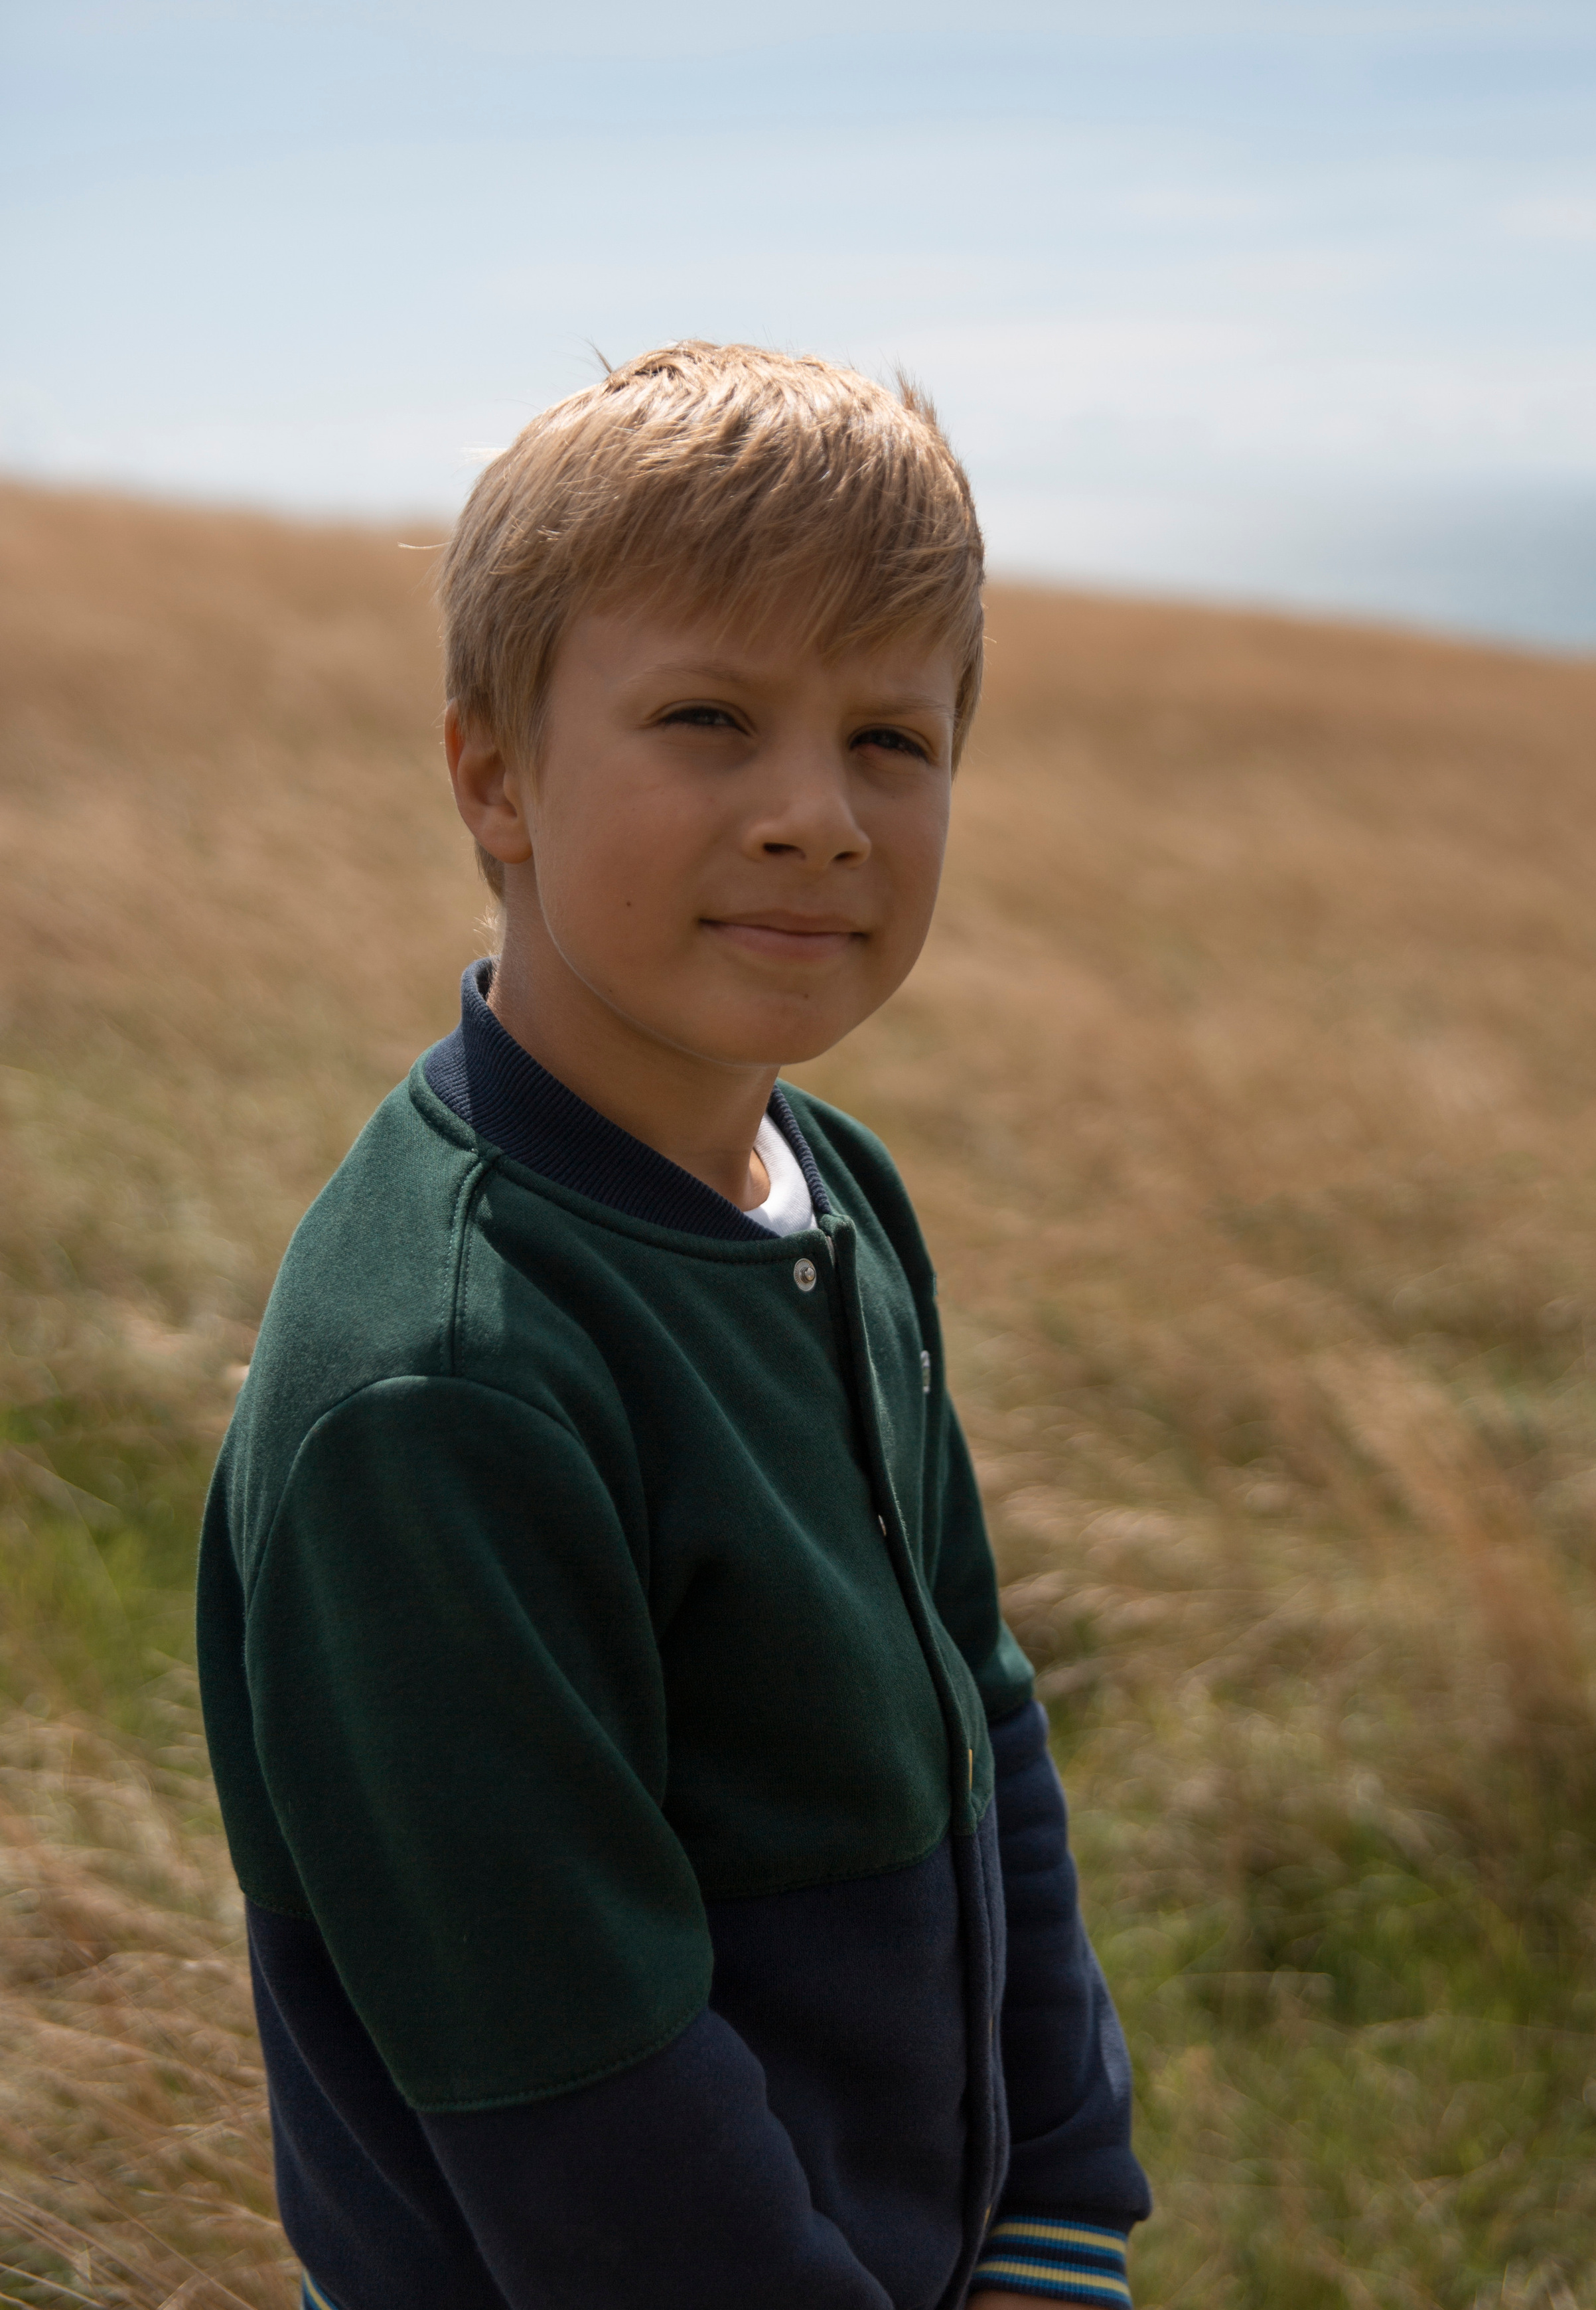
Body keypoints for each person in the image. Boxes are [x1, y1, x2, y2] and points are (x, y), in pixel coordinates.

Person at [197, 343, 1151, 2310]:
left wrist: (1058, 2210)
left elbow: (983, 1717)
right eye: (709, 718)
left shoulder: (836, 1192)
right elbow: (584, 2102)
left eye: (893, 739)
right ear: (494, 775)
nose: (816, 814)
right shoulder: (446, 1386)